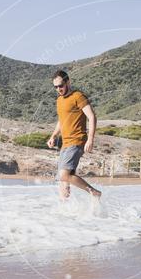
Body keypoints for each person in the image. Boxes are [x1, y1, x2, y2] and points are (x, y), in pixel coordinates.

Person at [46, 70, 101, 200]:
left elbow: (92, 117)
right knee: (62, 184)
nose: (58, 89)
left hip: (77, 141)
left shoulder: (78, 96)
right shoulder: (59, 100)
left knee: (64, 175)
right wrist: (53, 136)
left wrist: (90, 139)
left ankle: (94, 192)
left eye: (61, 85)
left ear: (68, 82)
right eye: (56, 87)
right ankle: (66, 215)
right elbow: (61, 121)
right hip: (65, 144)